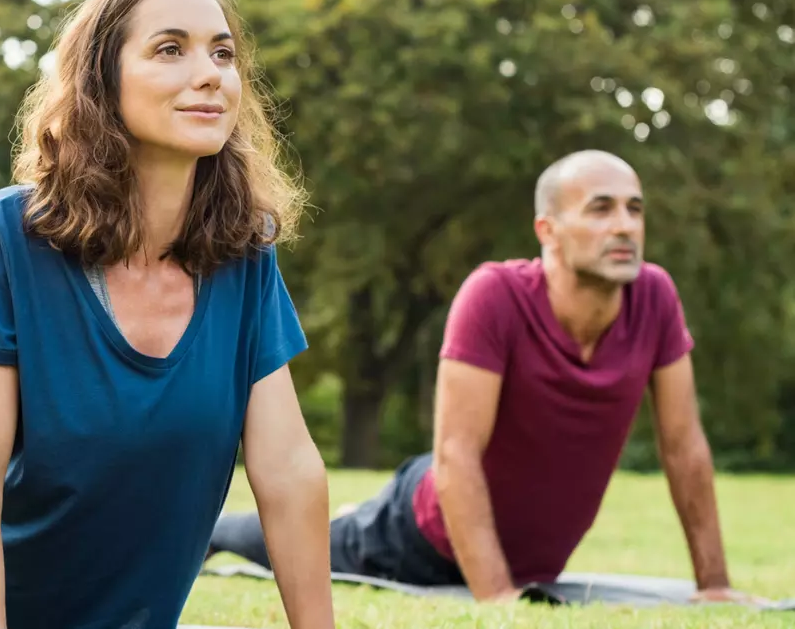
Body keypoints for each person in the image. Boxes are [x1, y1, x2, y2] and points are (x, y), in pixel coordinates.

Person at [0, 0, 336, 627]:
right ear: (102, 81)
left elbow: (287, 468)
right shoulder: (9, 234)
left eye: (222, 53)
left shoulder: (244, 254)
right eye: (170, 49)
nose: (209, 74)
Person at [208, 149, 753, 605]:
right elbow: (457, 456)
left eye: (635, 210)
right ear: (548, 229)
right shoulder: (496, 295)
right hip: (420, 535)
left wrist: (715, 586)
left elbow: (684, 447)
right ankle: (214, 532)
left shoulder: (654, 297)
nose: (625, 226)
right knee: (315, 543)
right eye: (601, 209)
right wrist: (498, 599)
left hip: (524, 553)